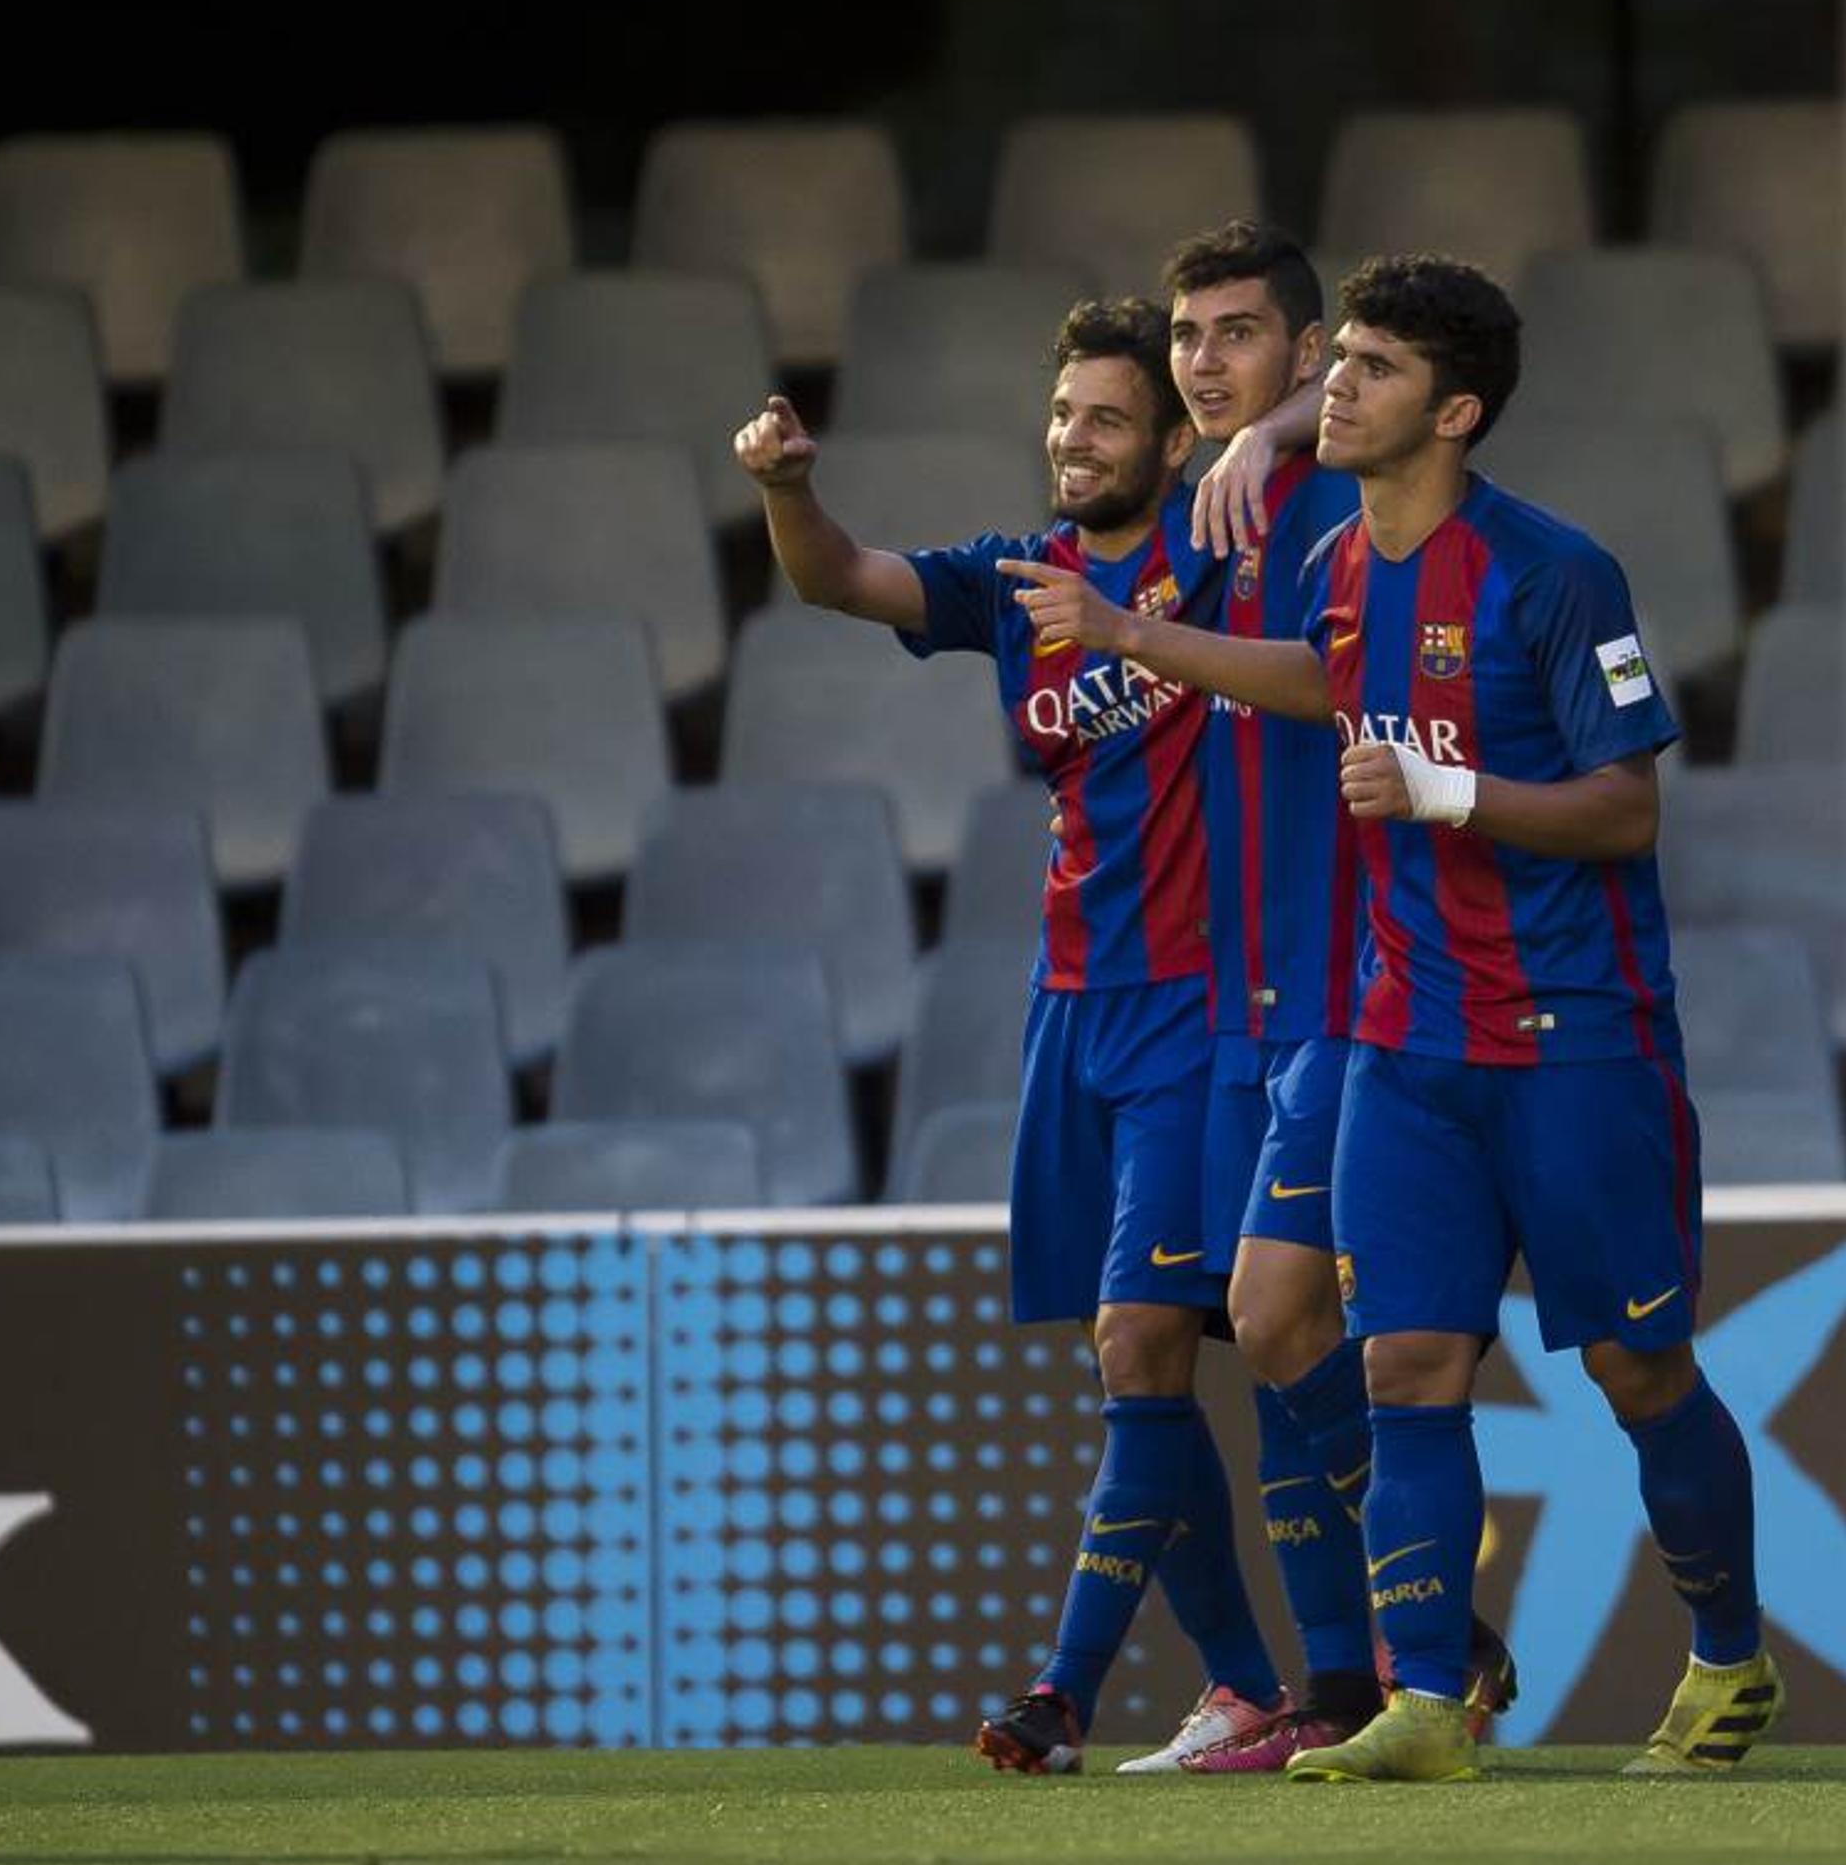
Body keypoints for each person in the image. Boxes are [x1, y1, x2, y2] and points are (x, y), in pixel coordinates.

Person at [997, 256, 1779, 1784]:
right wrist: (1137, 635)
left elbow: (1629, 809)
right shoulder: (1342, 564)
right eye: (1336, 359)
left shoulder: (1557, 573)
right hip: (1405, 1043)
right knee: (1403, 1366)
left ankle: (1731, 1656)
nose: (1331, 388)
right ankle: (1425, 1699)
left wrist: (1451, 795)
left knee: (1636, 1373)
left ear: (1459, 410)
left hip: (1577, 1041)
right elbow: (1322, 673)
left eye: (1371, 369)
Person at [733, 298, 1288, 1775]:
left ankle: (1061, 1694)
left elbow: (1324, 423)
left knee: (1140, 1337)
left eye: (1106, 418)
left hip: (1201, 1002)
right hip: (1071, 1008)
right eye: (1061, 417)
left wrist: (1271, 420)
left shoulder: (1228, 549)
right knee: (1140, 1377)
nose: (1073, 440)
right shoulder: (1015, 578)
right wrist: (789, 489)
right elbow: (842, 579)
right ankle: (1248, 1686)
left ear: (1174, 440)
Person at [1152, 222, 1515, 1773]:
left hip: (1375, 987)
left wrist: (1291, 427)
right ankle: (1371, 1671)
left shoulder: (1335, 485)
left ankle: (1423, 1655)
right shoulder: (1198, 506)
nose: (1207, 361)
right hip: (1236, 990)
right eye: (1190, 335)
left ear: (1318, 362)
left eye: (1247, 336)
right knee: (1264, 1327)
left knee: (1298, 1319)